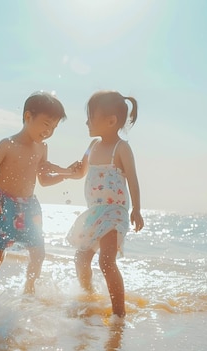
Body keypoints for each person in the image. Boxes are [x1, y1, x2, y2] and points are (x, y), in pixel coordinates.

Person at [0, 91, 75, 295]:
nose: (49, 131)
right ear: (28, 117)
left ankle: (28, 294)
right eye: (46, 124)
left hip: (30, 205)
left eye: (54, 127)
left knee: (38, 254)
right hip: (5, 204)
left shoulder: (42, 148)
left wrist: (66, 174)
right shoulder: (7, 144)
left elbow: (44, 180)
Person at [67, 90, 144, 318]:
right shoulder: (92, 145)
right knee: (81, 258)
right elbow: (80, 171)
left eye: (91, 116)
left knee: (106, 261)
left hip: (114, 212)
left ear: (111, 121)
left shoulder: (121, 148)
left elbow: (133, 179)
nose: (87, 121)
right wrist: (61, 172)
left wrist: (137, 209)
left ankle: (119, 314)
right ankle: (88, 297)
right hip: (94, 213)